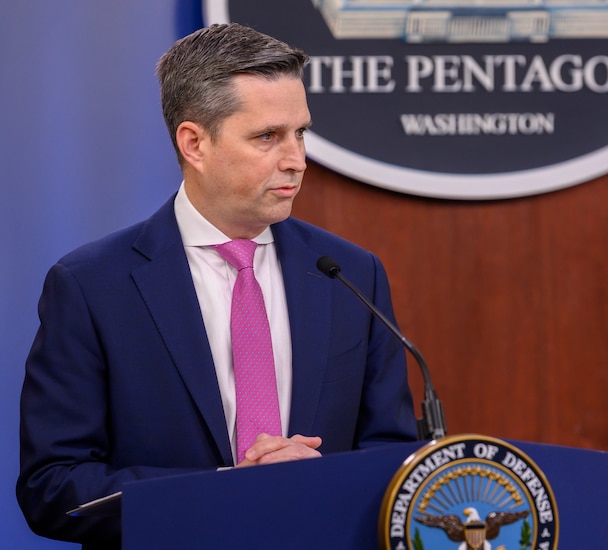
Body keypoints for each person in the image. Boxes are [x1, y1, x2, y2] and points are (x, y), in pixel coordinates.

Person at [17, 23, 417, 548]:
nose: (296, 159)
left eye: (300, 132)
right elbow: (54, 488)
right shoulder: (93, 286)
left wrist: (321, 485)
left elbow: (394, 456)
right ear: (194, 143)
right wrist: (227, 490)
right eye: (267, 137)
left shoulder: (349, 273)